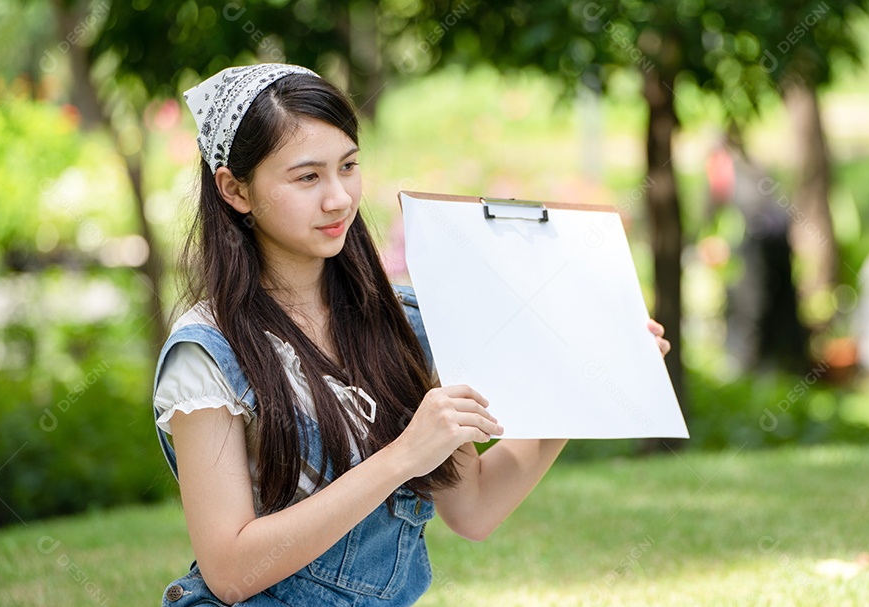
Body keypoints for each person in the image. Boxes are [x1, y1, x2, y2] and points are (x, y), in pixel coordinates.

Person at [152, 63, 672, 606]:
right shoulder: (207, 354)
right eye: (307, 177)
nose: (338, 198)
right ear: (235, 190)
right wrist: (402, 456)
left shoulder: (406, 324)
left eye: (348, 167)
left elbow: (472, 509)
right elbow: (231, 571)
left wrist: (583, 385)